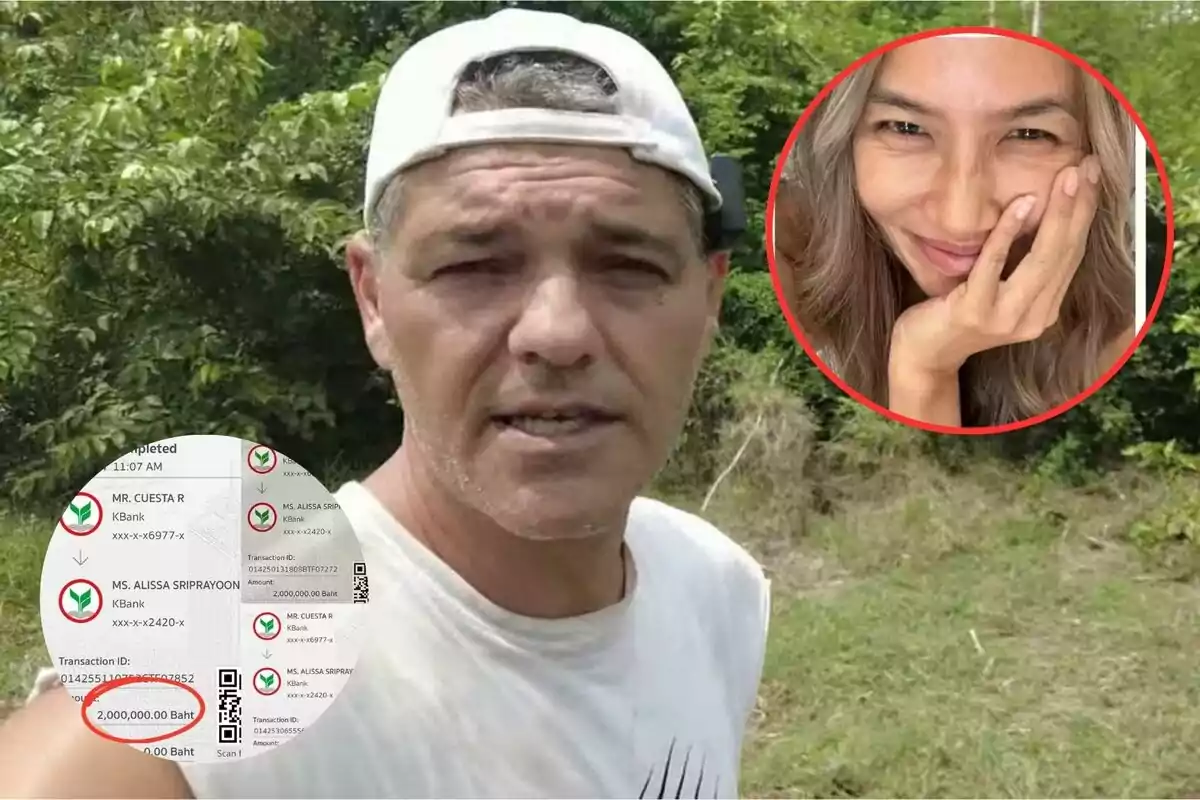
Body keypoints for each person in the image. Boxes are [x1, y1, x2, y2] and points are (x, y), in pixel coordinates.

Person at [0, 8, 770, 799]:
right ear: (372, 300)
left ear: (708, 298)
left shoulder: (714, 593)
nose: (558, 332)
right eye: (476, 266)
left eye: (629, 265)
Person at [774, 33, 1136, 428]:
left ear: (1096, 157)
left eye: (1029, 135)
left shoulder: (1126, 342)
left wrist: (924, 369)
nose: (960, 220)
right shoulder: (786, 270)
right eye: (907, 128)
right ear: (844, 142)